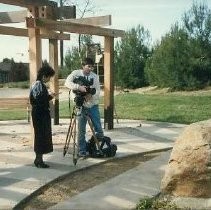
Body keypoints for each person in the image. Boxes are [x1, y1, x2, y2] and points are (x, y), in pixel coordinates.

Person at [65, 57, 104, 158]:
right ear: (83, 66)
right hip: (81, 106)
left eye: (92, 67)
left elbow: (97, 90)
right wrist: (79, 87)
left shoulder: (95, 76)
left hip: (93, 105)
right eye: (88, 66)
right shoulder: (76, 73)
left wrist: (91, 95)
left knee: (99, 130)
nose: (90, 69)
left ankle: (91, 145)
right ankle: (82, 150)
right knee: (81, 130)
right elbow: (67, 83)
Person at [29, 64, 55, 168]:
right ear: (44, 76)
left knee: (41, 135)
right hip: (40, 114)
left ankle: (38, 159)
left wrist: (49, 97)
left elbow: (39, 99)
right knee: (41, 136)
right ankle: (39, 160)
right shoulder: (39, 84)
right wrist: (48, 97)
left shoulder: (37, 84)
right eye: (49, 77)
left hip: (39, 113)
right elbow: (40, 100)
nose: (49, 80)